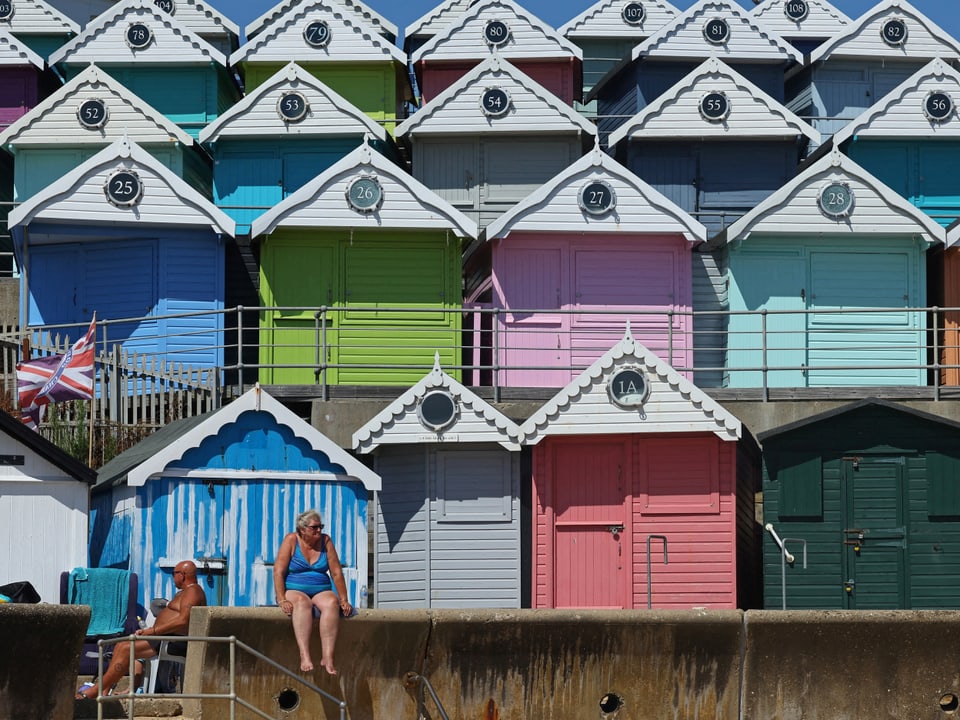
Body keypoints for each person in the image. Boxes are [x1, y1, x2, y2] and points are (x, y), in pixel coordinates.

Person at [76, 560, 207, 699]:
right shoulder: (184, 592)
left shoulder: (193, 591)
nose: (173, 577)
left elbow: (183, 620)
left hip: (174, 641)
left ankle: (96, 690)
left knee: (126, 649)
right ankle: (104, 689)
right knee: (121, 646)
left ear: (182, 575)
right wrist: (151, 631)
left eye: (174, 573)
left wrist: (153, 631)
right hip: (164, 637)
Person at [274, 509, 353, 675]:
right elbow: (278, 571)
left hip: (321, 589)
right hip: (295, 589)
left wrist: (344, 599)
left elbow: (336, 572)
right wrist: (281, 599)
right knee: (303, 604)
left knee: (332, 603)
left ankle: (327, 657)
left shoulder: (326, 541)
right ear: (302, 530)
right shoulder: (291, 540)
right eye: (315, 527)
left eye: (320, 526)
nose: (319, 530)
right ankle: (305, 656)